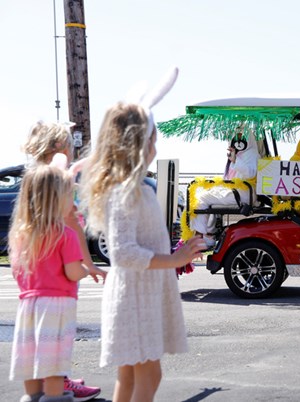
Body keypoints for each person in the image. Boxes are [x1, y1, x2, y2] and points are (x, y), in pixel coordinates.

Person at [80, 96, 207, 399]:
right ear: (136, 143)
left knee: (130, 376)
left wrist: (177, 253)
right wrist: (176, 258)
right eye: (153, 139)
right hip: (135, 298)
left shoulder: (134, 187)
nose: (156, 148)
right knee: (148, 374)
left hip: (139, 295)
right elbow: (123, 252)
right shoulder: (126, 191)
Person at [22, 121, 104, 401]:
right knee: (55, 339)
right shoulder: (59, 181)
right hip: (60, 274)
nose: (72, 150)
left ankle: (53, 383)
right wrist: (88, 265)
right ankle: (60, 383)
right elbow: (71, 221)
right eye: (70, 145)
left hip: (36, 277)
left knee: (37, 339)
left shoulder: (34, 179)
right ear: (58, 148)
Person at [8, 164, 91, 402]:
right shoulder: (65, 235)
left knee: (30, 358)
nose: (73, 202)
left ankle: (32, 396)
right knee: (52, 363)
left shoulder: (21, 236)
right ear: (56, 199)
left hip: (28, 306)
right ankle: (55, 398)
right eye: (69, 195)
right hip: (56, 307)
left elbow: (18, 273)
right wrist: (85, 269)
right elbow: (73, 272)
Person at [189, 132, 262, 247]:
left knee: (202, 198)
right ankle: (208, 235)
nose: (238, 140)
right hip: (236, 191)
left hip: (243, 193)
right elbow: (228, 178)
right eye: (236, 137)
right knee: (206, 196)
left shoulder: (252, 154)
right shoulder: (238, 154)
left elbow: (250, 173)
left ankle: (199, 237)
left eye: (241, 137)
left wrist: (235, 161)